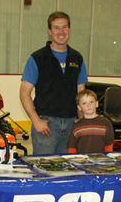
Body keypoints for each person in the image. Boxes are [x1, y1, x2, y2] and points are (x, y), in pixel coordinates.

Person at [20, 11, 88, 155]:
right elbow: (24, 93)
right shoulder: (38, 58)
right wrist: (36, 121)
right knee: (44, 170)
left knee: (67, 169)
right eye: (56, 28)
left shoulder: (77, 58)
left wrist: (82, 118)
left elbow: (81, 92)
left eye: (64, 27)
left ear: (69, 30)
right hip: (46, 125)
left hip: (71, 123)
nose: (61, 32)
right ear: (50, 31)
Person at [67, 89, 114, 153]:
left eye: (91, 102)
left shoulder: (106, 123)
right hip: (82, 161)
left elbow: (109, 146)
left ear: (97, 104)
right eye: (84, 103)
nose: (88, 105)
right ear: (79, 107)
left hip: (101, 161)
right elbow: (71, 148)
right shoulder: (76, 126)